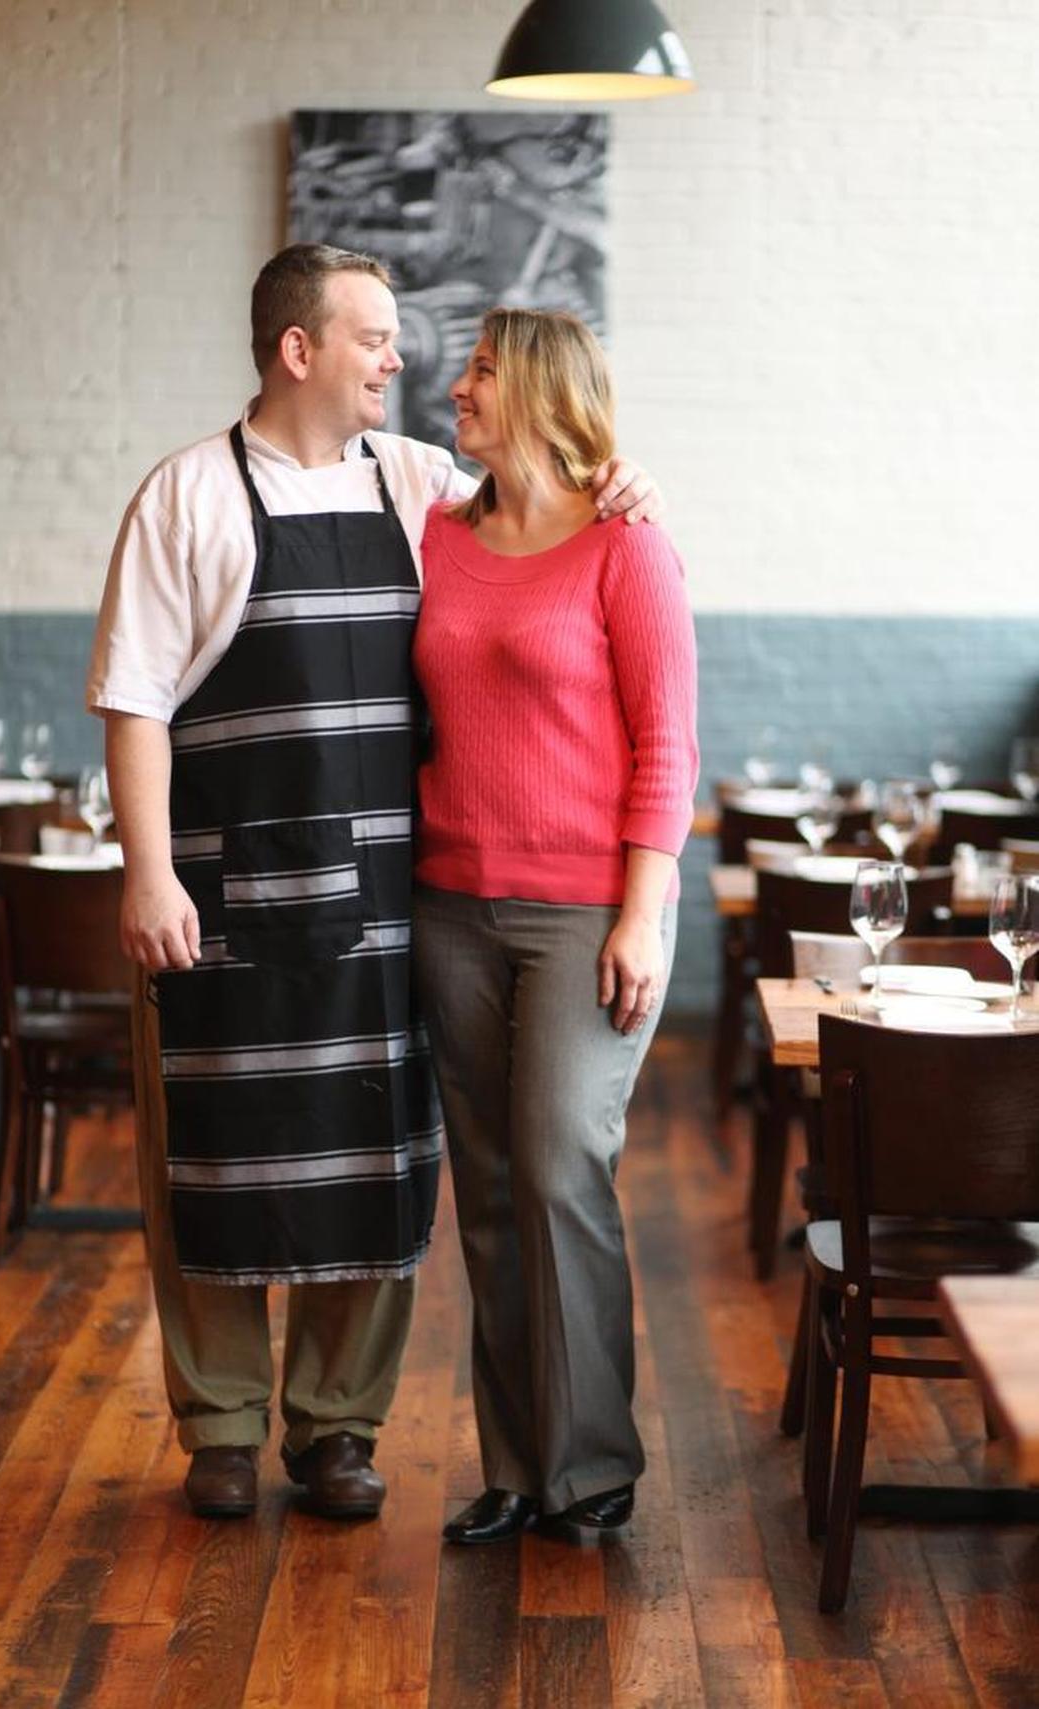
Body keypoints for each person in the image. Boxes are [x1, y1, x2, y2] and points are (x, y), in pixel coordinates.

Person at [86, 244, 663, 1523]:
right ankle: (223, 1424)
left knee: (374, 1157)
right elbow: (132, 705)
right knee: (216, 1157)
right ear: (301, 351)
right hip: (217, 894)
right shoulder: (183, 496)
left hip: (388, 904)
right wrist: (146, 876)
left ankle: (338, 1429)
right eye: (375, 339)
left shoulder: (419, 487)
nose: (399, 362)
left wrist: (621, 479)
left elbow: (548, 516)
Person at [412, 308, 699, 1544]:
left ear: (532, 390)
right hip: (449, 906)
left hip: (588, 913)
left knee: (556, 1163)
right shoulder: (435, 529)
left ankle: (591, 1464)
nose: (455, 387)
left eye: (478, 370)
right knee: (483, 1185)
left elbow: (668, 745)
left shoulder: (626, 544)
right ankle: (519, 1466)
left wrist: (642, 911)